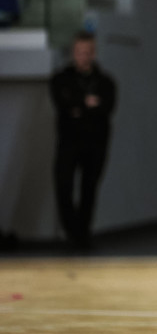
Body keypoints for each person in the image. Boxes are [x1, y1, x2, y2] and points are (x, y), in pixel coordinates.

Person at [49, 31, 117, 250]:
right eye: (79, 52)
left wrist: (78, 107)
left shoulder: (105, 81)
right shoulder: (61, 79)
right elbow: (63, 102)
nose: (82, 57)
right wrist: (85, 104)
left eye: (87, 52)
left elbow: (106, 107)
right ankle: (74, 232)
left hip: (95, 143)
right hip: (69, 141)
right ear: (73, 53)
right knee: (63, 185)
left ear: (93, 53)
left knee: (89, 189)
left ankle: (82, 235)